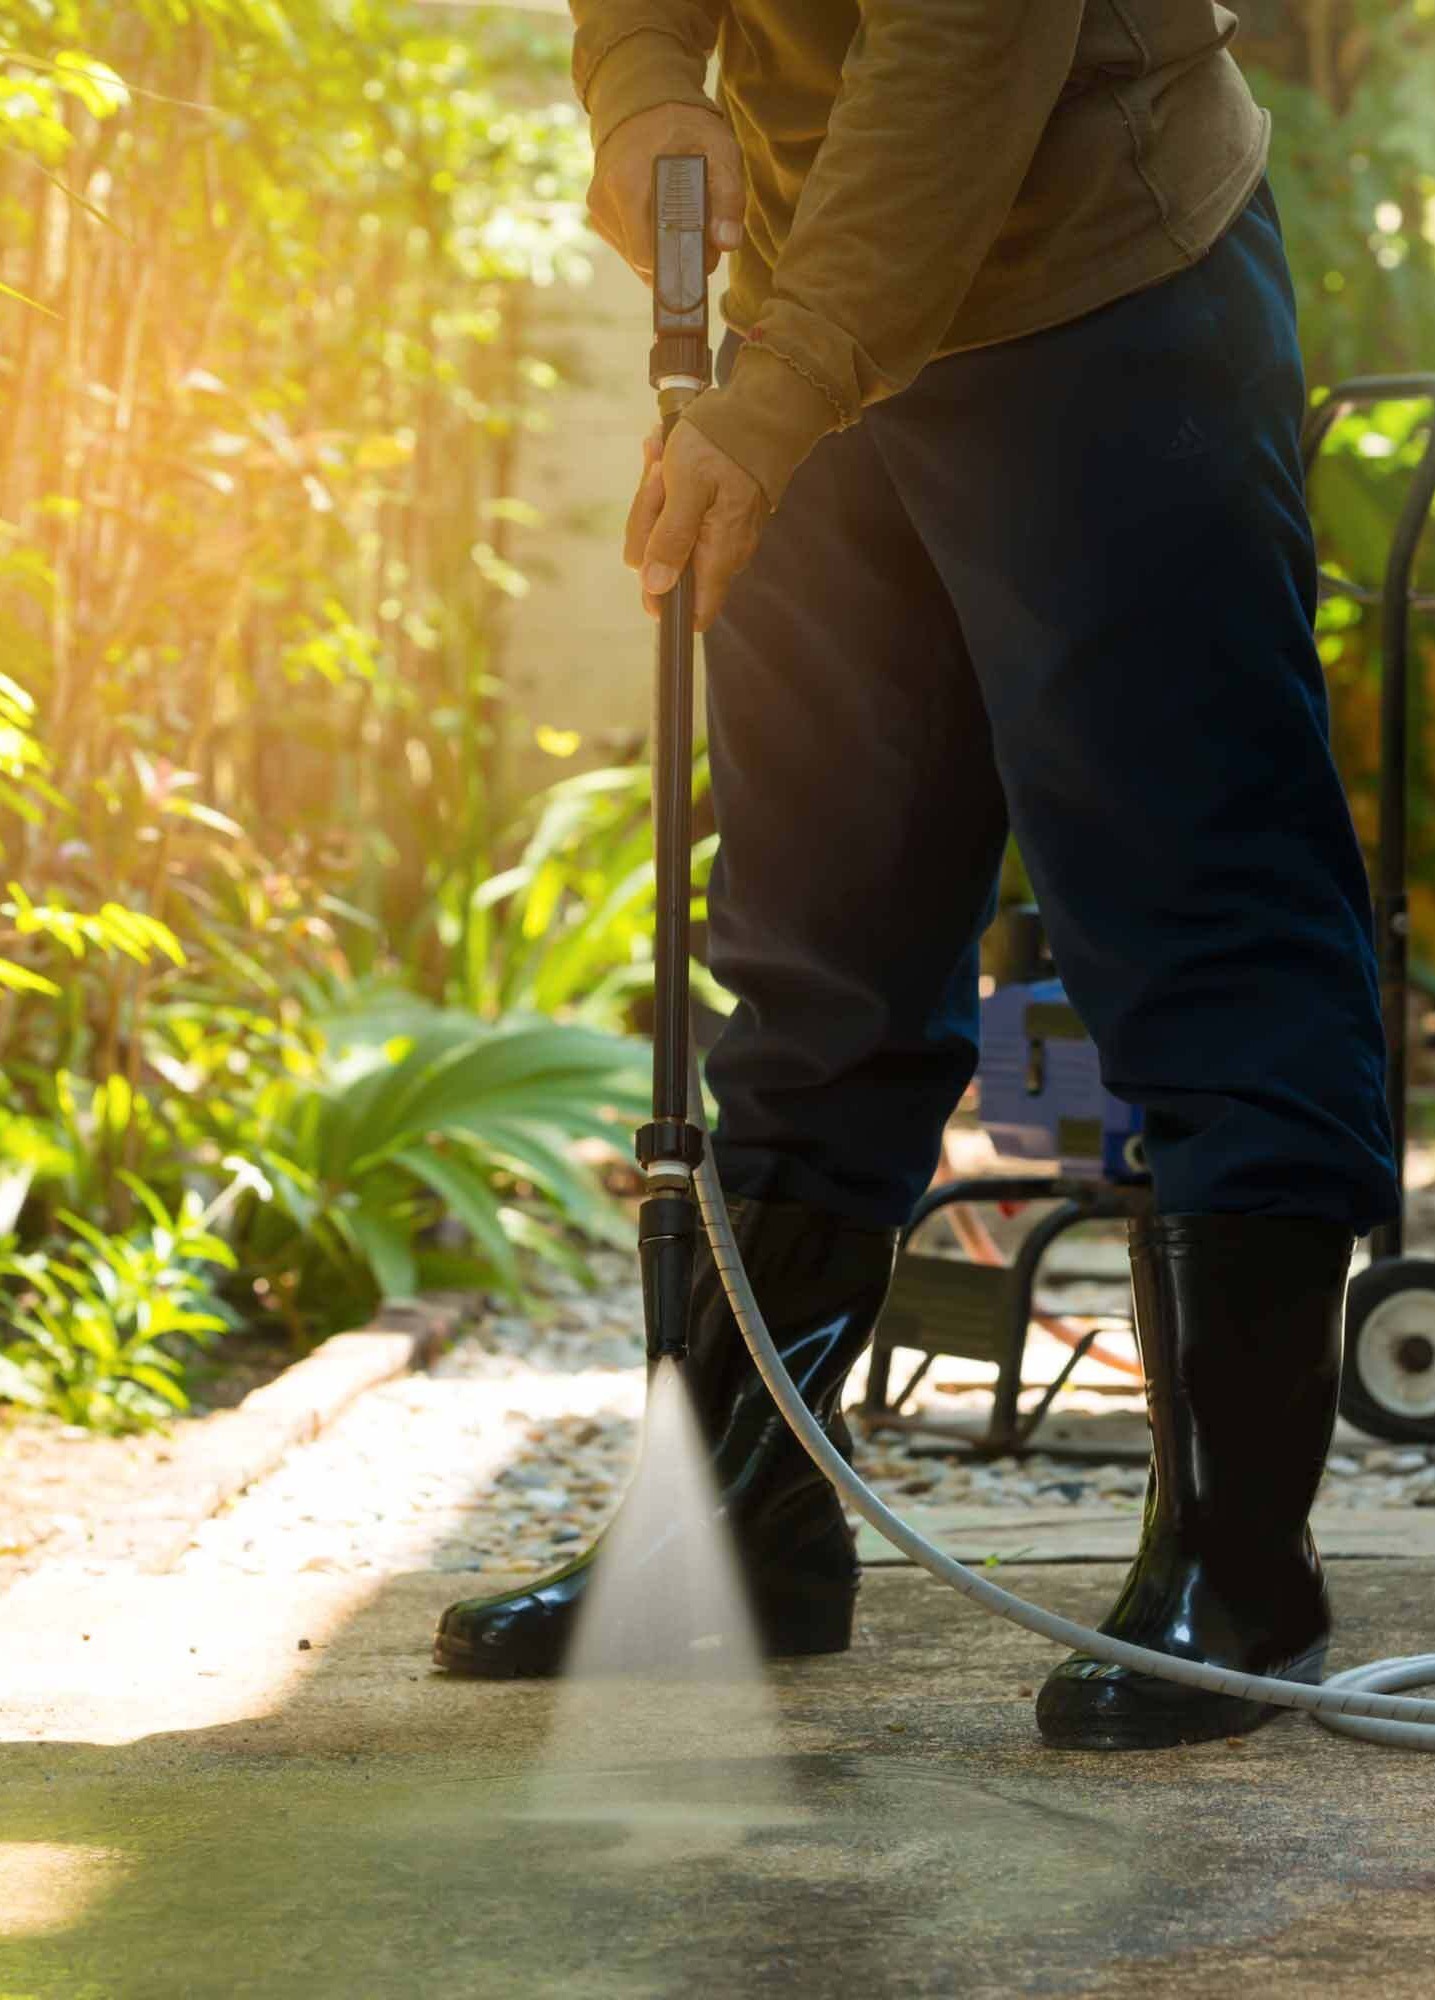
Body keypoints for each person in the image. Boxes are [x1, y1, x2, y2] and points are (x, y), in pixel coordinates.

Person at [433, 1, 1401, 1752]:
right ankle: (740, 1538)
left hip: (1095, 296)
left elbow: (970, 42)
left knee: (1202, 917)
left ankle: (1241, 1571)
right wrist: (644, 85)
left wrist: (782, 386)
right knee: (819, 934)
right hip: (819, 329)